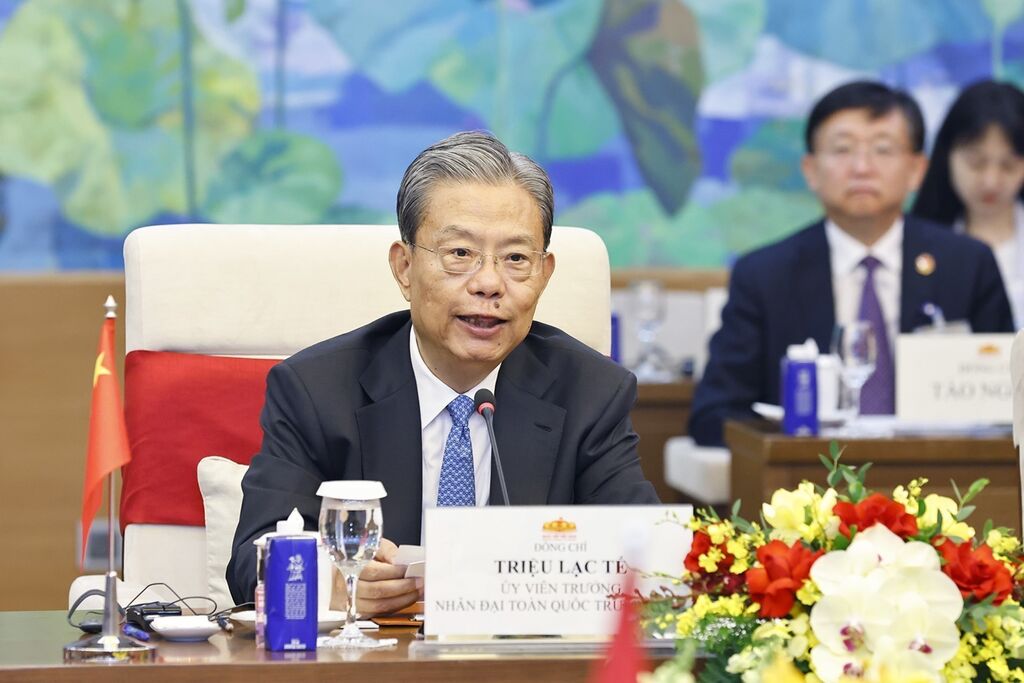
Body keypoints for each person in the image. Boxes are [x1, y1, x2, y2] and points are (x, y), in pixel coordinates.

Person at [227, 131, 659, 612]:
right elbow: (250, 562)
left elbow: (647, 562)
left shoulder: (590, 393)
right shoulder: (316, 390)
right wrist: (334, 584)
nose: (489, 283)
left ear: (544, 274)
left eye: (516, 259)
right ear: (404, 267)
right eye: (460, 254)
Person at [690, 81, 1014, 447]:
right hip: (810, 473)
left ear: (916, 170)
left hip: (939, 472)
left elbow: (1010, 402)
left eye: (882, 149)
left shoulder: (968, 265)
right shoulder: (764, 276)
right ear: (811, 170)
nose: (862, 167)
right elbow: (713, 415)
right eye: (842, 149)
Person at [911, 80, 1024, 328]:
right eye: (976, 163)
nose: (991, 181)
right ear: (947, 155)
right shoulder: (916, 244)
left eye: (1008, 165)